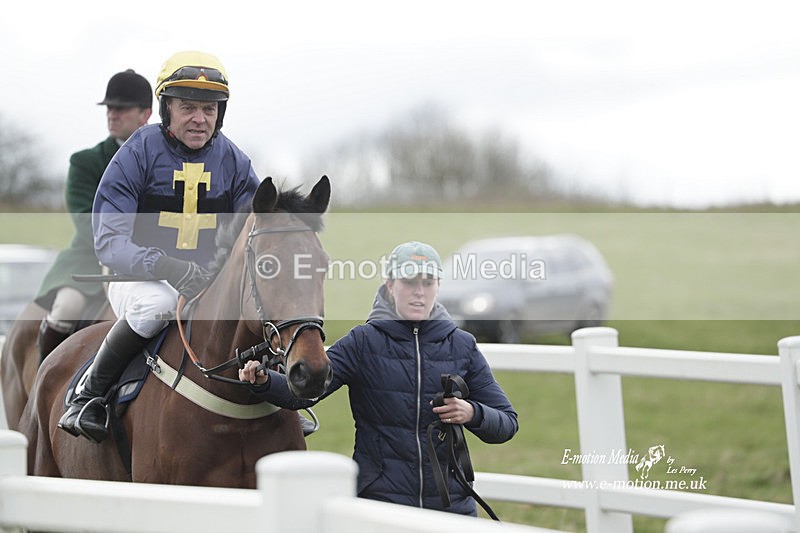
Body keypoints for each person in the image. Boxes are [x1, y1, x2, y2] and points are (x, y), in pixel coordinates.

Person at [58, 51, 261, 443]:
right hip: (134, 275)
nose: (199, 119)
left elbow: (253, 230)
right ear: (167, 108)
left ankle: (274, 398)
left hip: (203, 281)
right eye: (188, 108)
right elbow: (108, 240)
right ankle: (89, 395)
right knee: (158, 306)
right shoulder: (137, 152)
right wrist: (166, 266)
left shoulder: (234, 160)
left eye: (208, 109)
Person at [239, 241, 519, 516]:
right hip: (379, 507)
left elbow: (507, 424)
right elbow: (302, 393)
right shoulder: (363, 342)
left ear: (438, 287)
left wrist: (472, 412)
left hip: (451, 508)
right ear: (390, 285)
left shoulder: (462, 345)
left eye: (428, 282)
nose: (419, 292)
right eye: (409, 282)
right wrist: (264, 382)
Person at [34, 69, 153, 363]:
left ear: (145, 114)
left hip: (152, 259)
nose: (112, 114)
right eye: (109, 108)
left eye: (121, 108)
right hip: (90, 260)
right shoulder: (85, 162)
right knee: (66, 309)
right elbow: (88, 222)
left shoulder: (164, 161)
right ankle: (43, 383)